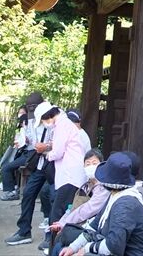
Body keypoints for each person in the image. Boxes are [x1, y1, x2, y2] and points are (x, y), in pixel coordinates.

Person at [59, 152, 143, 256]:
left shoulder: (126, 204)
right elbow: (94, 226)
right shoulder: (115, 194)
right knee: (62, 249)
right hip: (110, 245)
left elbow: (113, 247)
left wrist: (86, 249)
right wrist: (73, 247)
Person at [36, 106, 87, 252]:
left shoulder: (62, 125)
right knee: (65, 213)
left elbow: (57, 152)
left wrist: (47, 154)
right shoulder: (65, 124)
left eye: (43, 120)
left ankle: (54, 248)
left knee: (57, 216)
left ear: (49, 116)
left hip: (69, 177)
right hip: (71, 176)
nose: (44, 123)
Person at [5, 100, 55, 246]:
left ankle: (51, 235)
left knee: (50, 196)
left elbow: (62, 142)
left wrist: (47, 146)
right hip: (40, 164)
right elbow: (31, 141)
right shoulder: (30, 121)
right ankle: (24, 231)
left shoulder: (56, 120)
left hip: (54, 165)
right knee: (28, 193)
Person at [47, 149, 106, 255]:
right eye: (88, 164)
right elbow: (73, 207)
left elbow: (88, 209)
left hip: (91, 229)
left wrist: (66, 223)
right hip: (77, 224)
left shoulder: (103, 188)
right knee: (55, 233)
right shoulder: (86, 186)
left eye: (94, 163)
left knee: (61, 240)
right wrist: (61, 222)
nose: (91, 166)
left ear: (101, 165)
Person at [0, 104, 30, 200]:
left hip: (28, 154)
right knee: (5, 164)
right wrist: (17, 141)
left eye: (23, 113)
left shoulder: (30, 125)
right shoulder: (19, 126)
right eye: (19, 113)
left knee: (6, 168)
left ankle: (11, 192)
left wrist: (25, 140)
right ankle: (14, 187)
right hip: (20, 151)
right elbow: (17, 137)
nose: (20, 114)